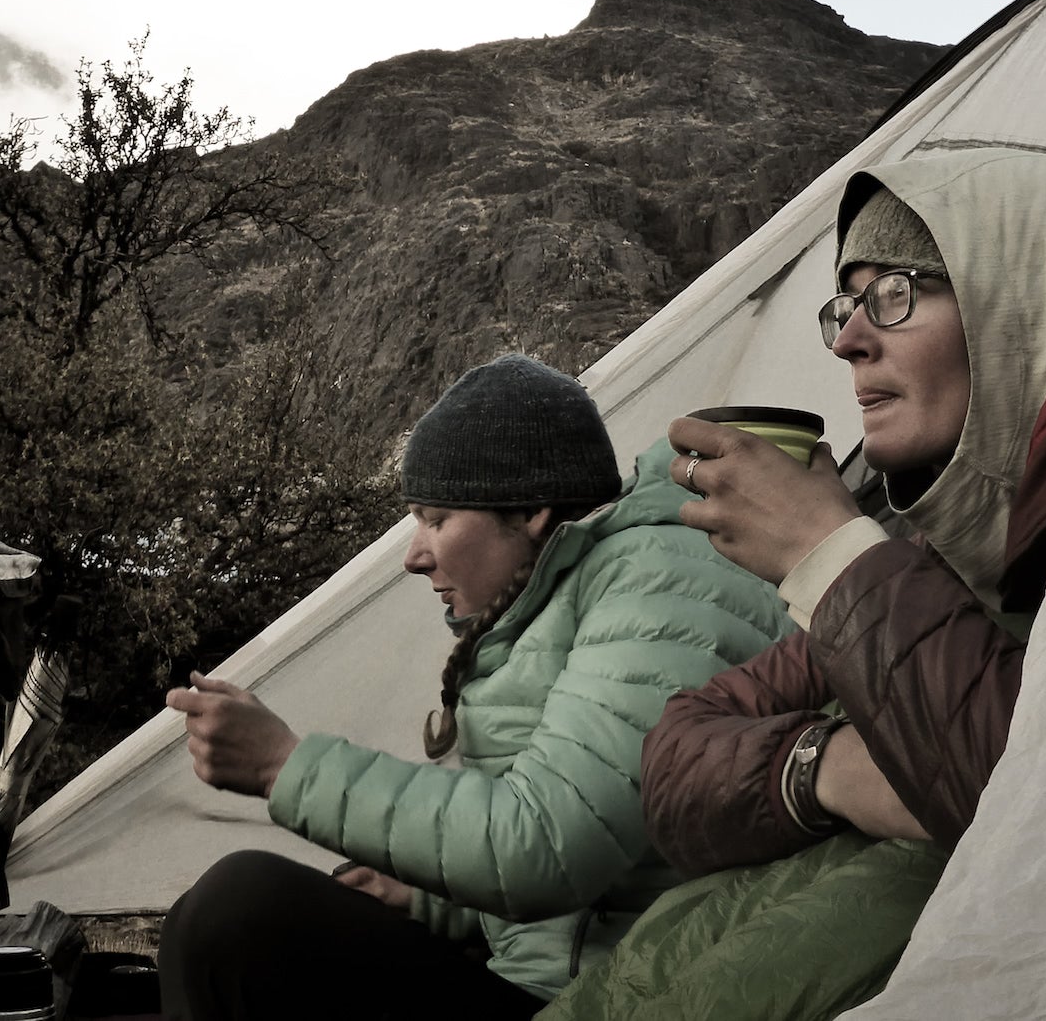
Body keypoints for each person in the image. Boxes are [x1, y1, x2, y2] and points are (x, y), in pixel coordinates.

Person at [156, 353, 792, 1021]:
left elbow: (549, 846)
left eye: (436, 519)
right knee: (201, 925)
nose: (414, 555)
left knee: (238, 914)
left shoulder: (662, 585)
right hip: (566, 983)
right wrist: (435, 901)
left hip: (624, 1002)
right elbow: (615, 850)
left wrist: (281, 764)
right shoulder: (570, 592)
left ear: (533, 512)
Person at [639, 146, 1046, 875]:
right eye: (846, 307)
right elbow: (675, 757)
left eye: (894, 293)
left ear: (1019, 303)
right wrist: (828, 766)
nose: (849, 342)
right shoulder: (938, 559)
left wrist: (826, 549)